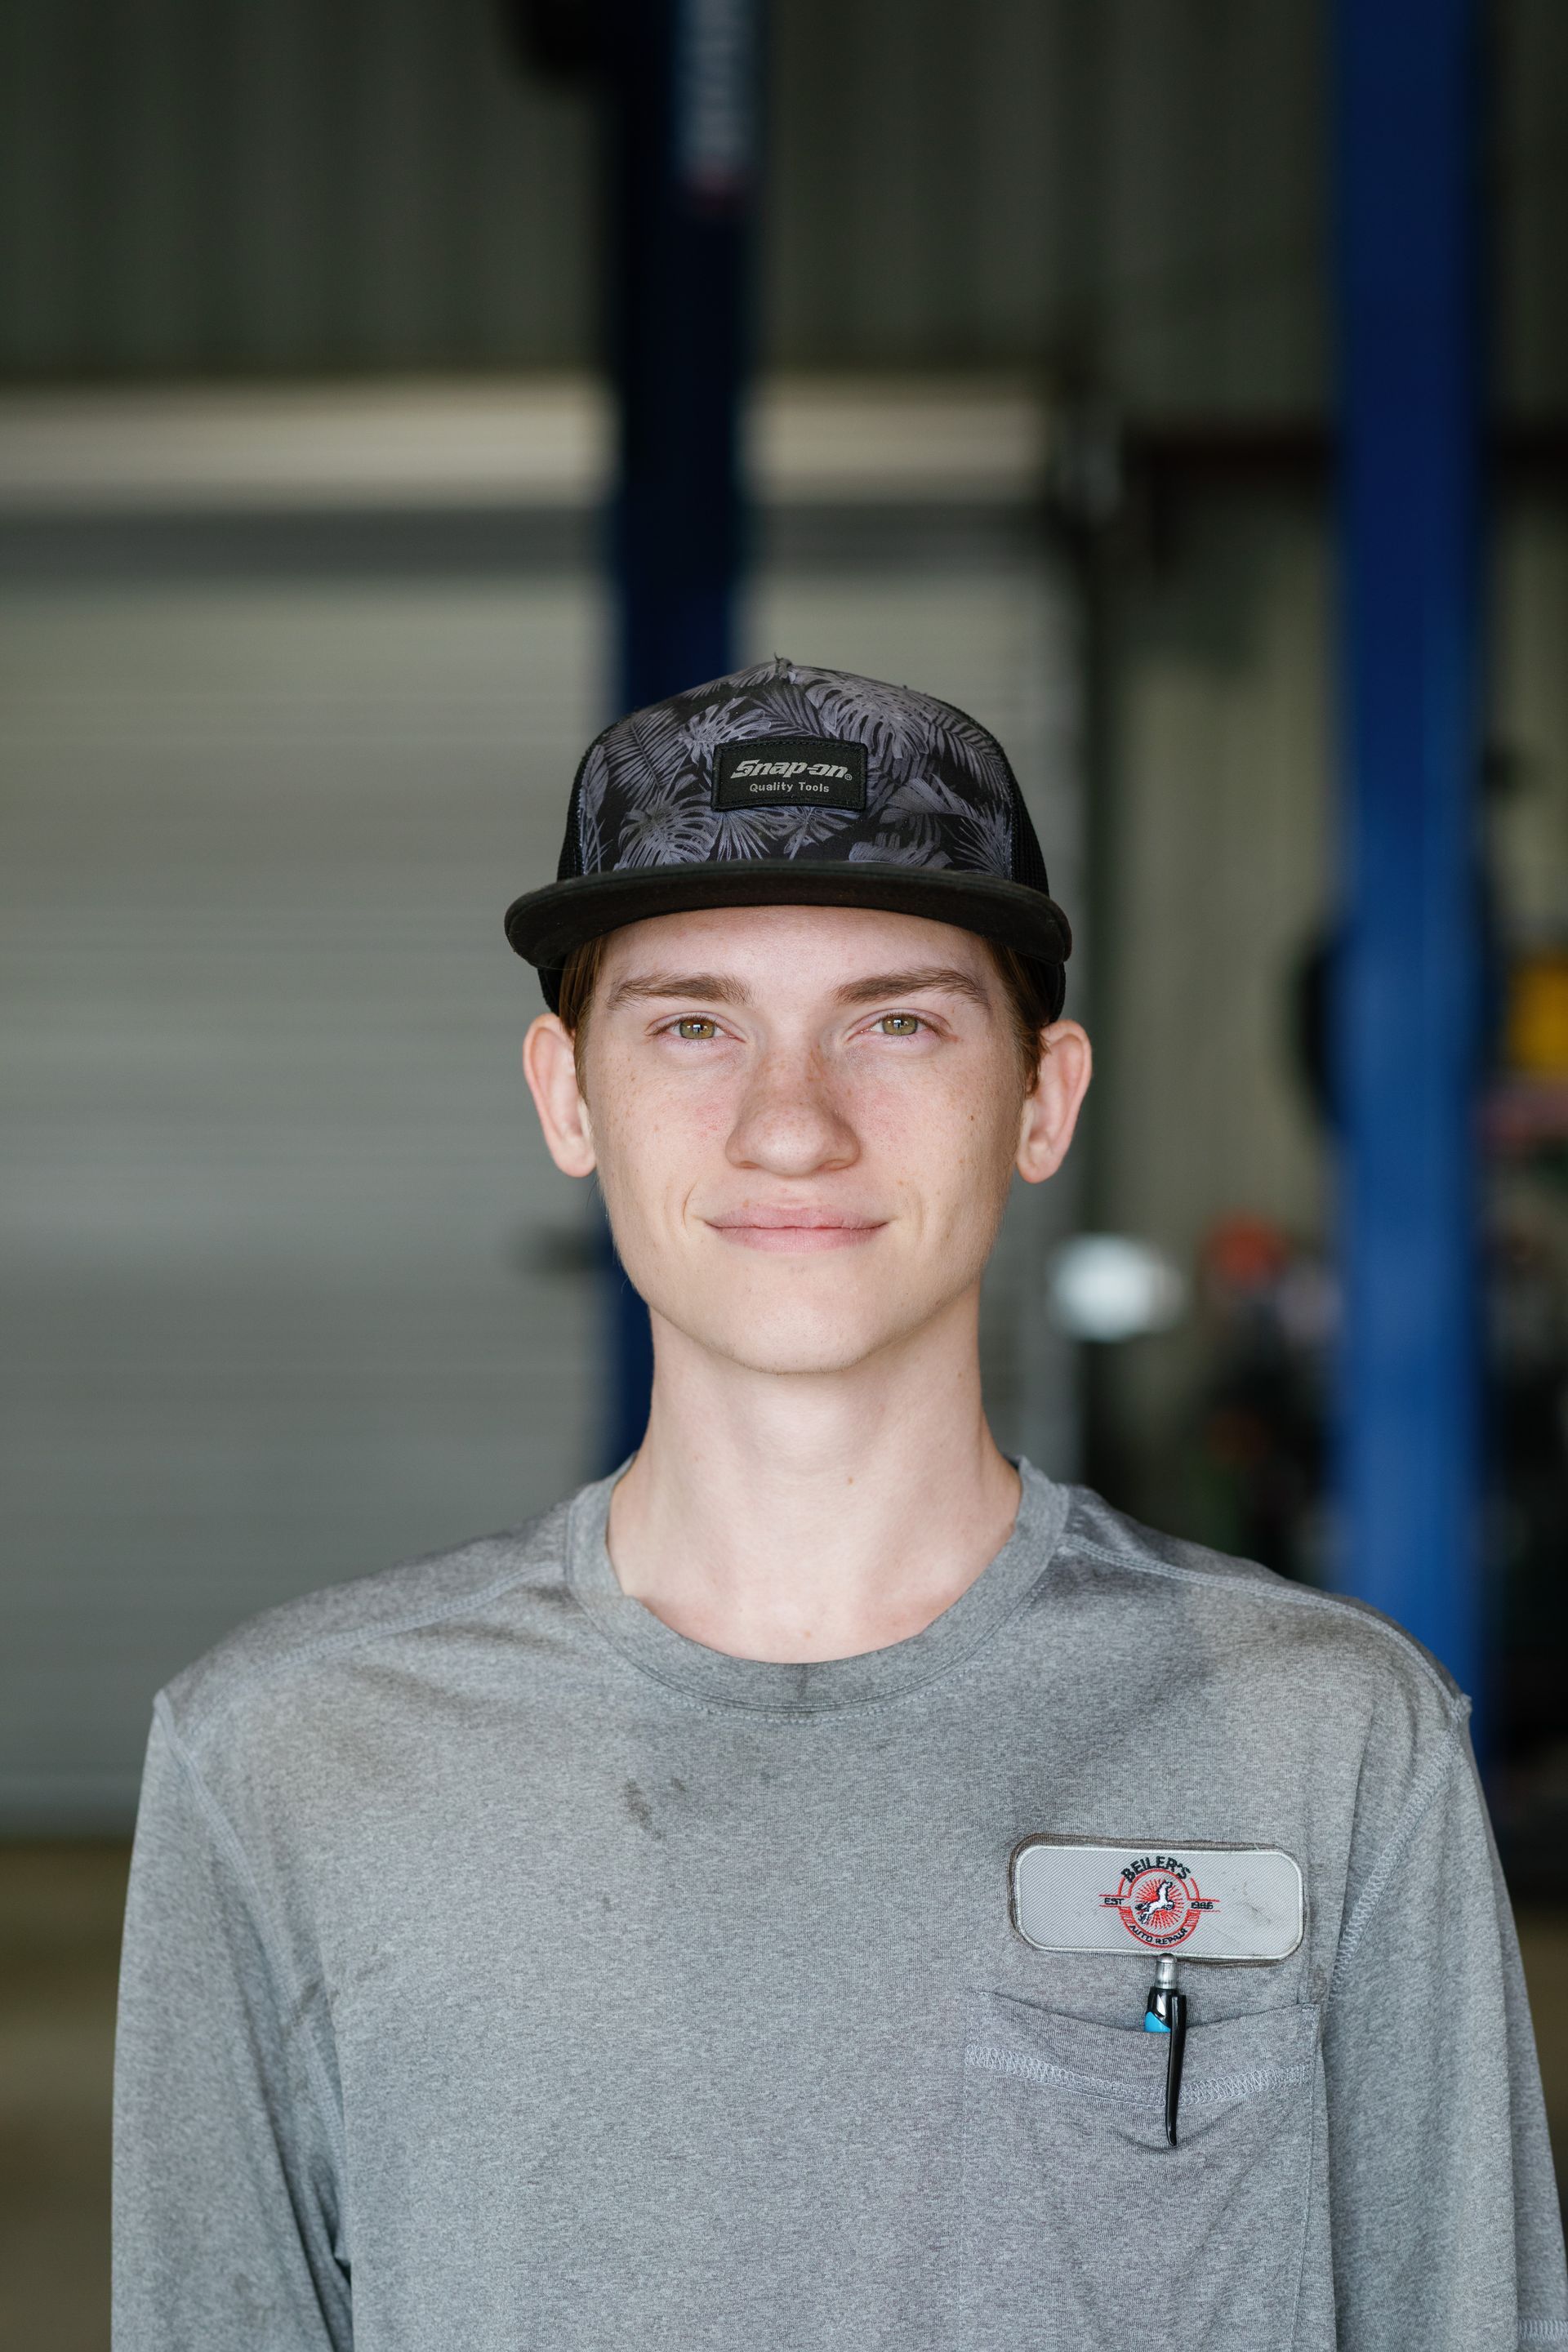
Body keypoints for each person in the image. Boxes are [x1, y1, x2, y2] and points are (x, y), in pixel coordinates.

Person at [114, 659, 1566, 2351]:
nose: (791, 1126)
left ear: (1044, 1097)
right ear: (565, 1095)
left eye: (897, 1021)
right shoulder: (285, 1766)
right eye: (691, 1025)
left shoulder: (1333, 1746)